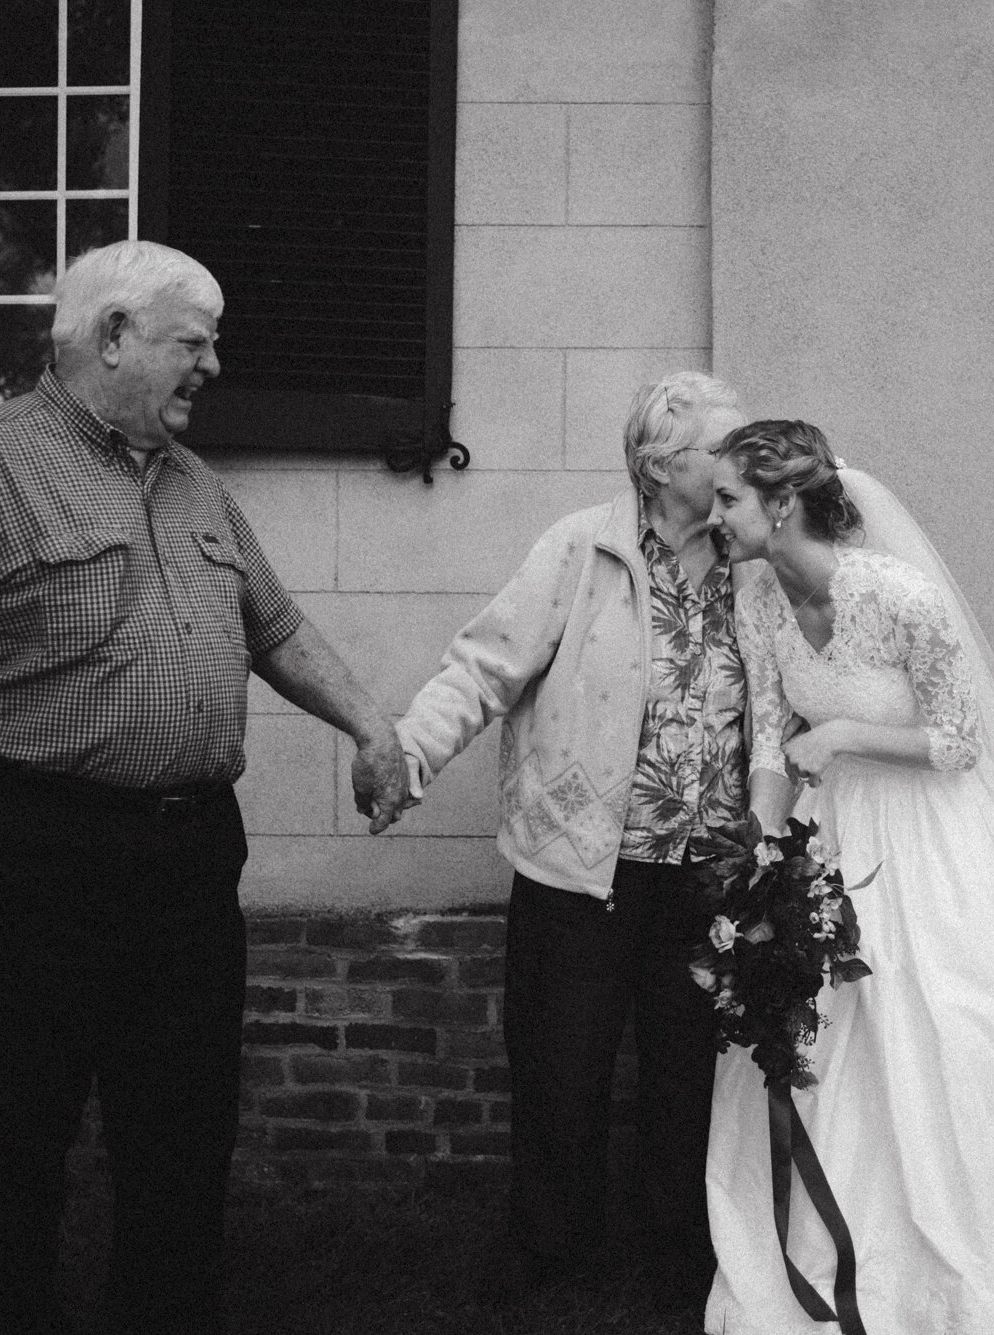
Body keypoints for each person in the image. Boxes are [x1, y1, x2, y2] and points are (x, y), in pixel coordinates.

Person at [0, 240, 408, 1335]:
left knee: (182, 1138)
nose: (210, 366)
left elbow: (275, 627)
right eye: (193, 343)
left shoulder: (196, 483)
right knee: (9, 1143)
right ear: (113, 337)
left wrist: (369, 723)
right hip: (32, 854)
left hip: (188, 859)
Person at [702, 420, 994, 1334]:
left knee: (954, 1023)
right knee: (829, 1040)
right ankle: (834, 1251)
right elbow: (768, 735)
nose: (714, 515)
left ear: (782, 502)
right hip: (823, 836)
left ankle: (992, 1255)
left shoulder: (901, 596)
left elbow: (961, 740)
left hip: (928, 840)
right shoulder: (755, 594)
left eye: (729, 499)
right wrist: (762, 856)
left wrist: (842, 737)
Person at [391, 371, 749, 1299]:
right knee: (561, 1070)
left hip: (707, 872)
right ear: (664, 462)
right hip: (580, 869)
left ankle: (680, 1249)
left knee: (687, 1077)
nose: (741, 462)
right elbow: (482, 668)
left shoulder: (750, 556)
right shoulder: (579, 549)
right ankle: (553, 1255)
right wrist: (409, 757)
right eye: (725, 447)